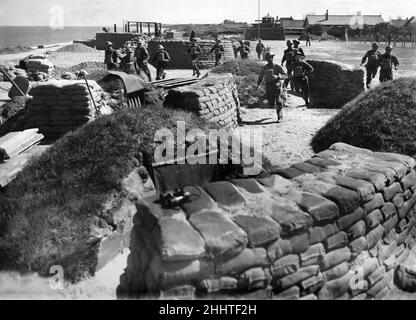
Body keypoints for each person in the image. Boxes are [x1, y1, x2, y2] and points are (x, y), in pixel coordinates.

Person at [257, 52, 288, 123]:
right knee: (271, 103)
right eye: (267, 58)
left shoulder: (277, 67)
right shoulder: (264, 68)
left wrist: (278, 76)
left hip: (277, 85)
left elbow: (285, 75)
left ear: (272, 58)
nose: (268, 59)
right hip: (269, 86)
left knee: (278, 101)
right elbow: (261, 77)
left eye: (270, 57)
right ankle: (276, 104)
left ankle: (279, 117)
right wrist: (258, 85)